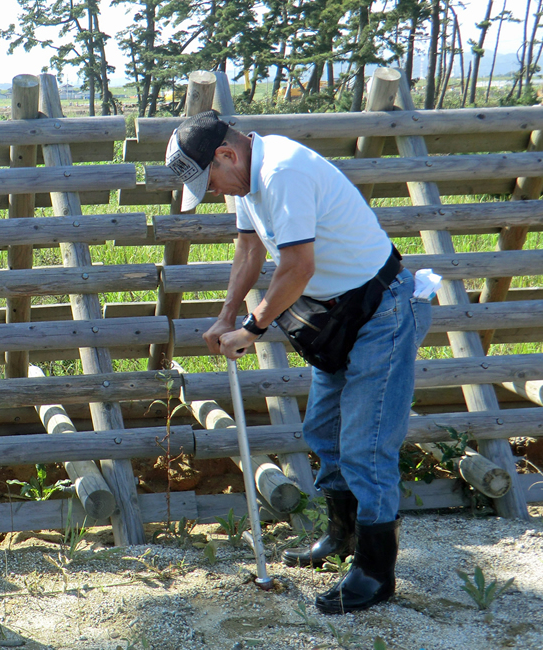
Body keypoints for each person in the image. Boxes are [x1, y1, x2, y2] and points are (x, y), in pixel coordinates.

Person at [165, 111, 431, 614]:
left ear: (227, 154)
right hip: (337, 312)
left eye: (213, 180)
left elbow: (297, 266)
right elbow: (249, 250)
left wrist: (254, 327)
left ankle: (376, 573)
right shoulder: (248, 183)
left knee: (366, 444)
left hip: (383, 307)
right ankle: (343, 536)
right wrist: (226, 316)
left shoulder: (281, 173)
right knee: (323, 429)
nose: (217, 191)